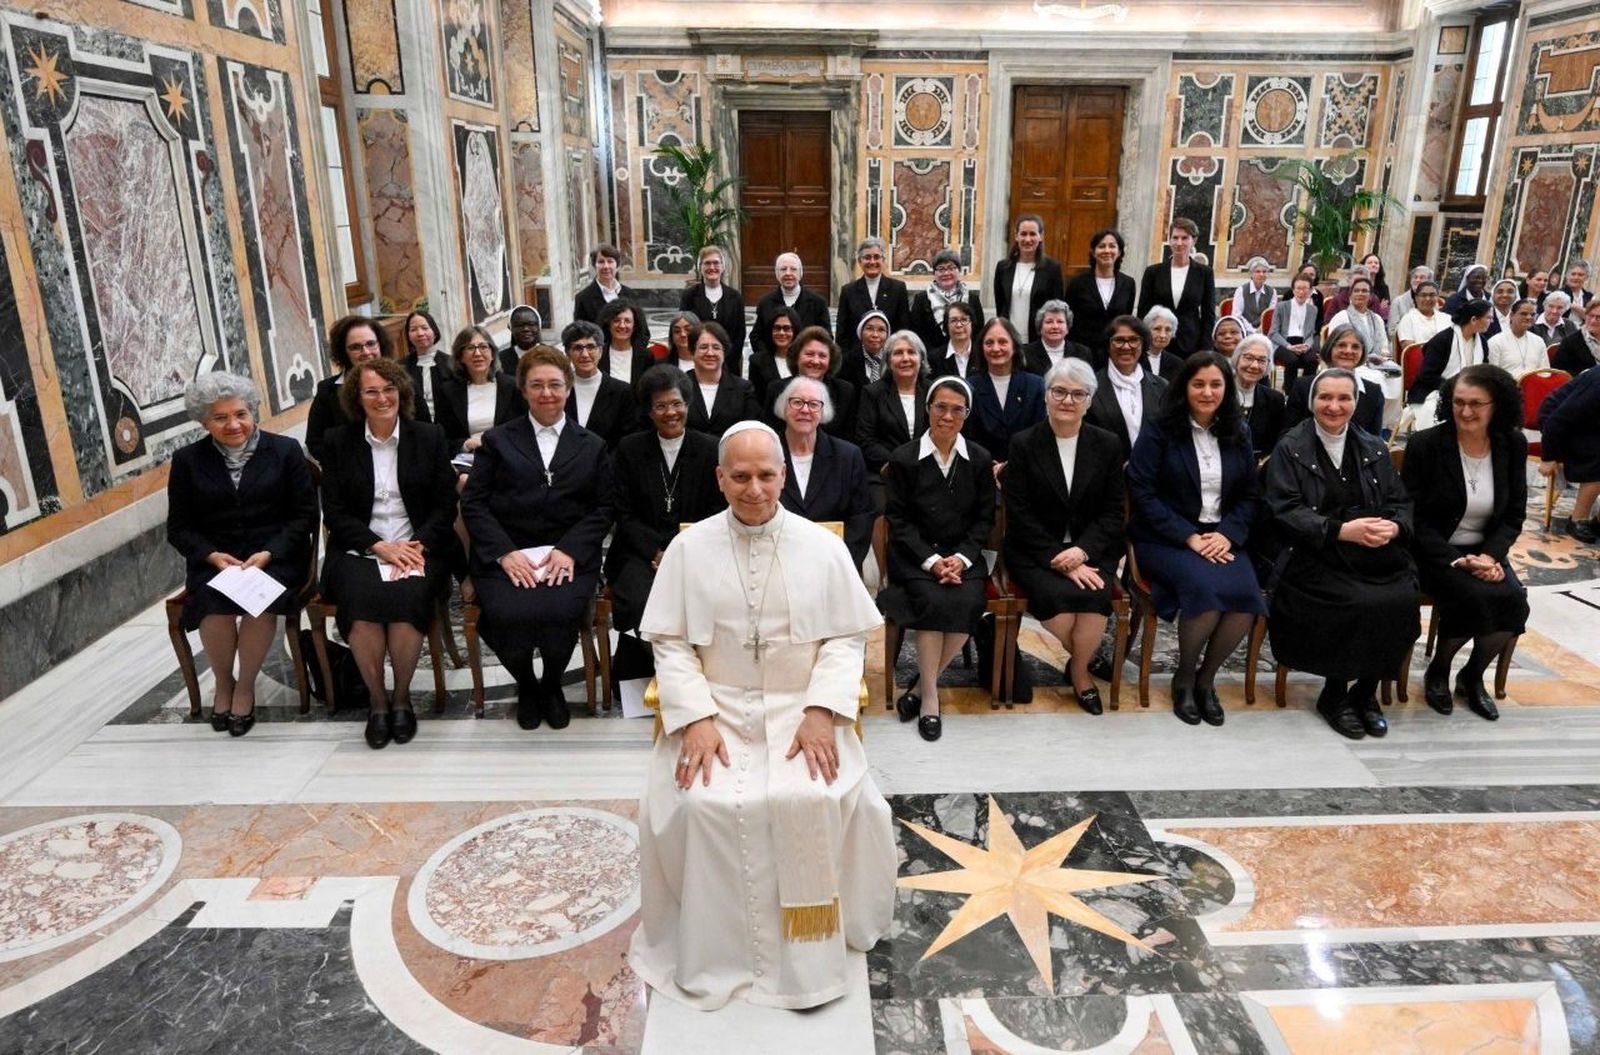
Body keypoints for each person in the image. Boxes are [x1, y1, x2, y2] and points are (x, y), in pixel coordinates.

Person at [630, 422, 894, 1013]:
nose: (754, 490)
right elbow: (670, 644)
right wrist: (694, 717)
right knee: (701, 803)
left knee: (816, 796)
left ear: (783, 475)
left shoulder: (823, 549)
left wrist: (824, 710)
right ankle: (716, 954)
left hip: (800, 709)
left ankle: (807, 959)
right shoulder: (687, 549)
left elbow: (847, 639)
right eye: (741, 477)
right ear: (720, 478)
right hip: (714, 708)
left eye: (767, 475)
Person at [461, 346, 613, 730]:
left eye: (555, 385)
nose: (547, 393)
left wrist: (570, 550)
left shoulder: (591, 445)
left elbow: (604, 507)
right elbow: (475, 505)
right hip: (507, 555)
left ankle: (551, 685)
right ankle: (527, 683)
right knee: (505, 614)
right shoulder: (497, 441)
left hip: (566, 556)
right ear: (524, 391)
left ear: (568, 390)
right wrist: (505, 554)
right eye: (537, 385)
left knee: (559, 611)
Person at [1265, 367, 1418, 740]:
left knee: (1401, 597)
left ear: (1356, 402)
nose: (1334, 406)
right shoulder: (1291, 446)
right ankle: (1334, 694)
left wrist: (1394, 527)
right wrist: (1340, 531)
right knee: (1356, 601)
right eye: (1325, 397)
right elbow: (1284, 509)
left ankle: (1365, 692)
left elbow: (1400, 501)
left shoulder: (1372, 445)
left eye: (1344, 398)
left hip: (1371, 552)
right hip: (1313, 553)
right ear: (1311, 401)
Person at [317, 357, 458, 749]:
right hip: (360, 550)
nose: (383, 398)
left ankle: (402, 700)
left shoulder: (428, 437)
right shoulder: (337, 441)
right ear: (357, 398)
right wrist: (378, 546)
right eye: (372, 391)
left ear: (402, 392)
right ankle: (378, 703)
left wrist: (417, 545)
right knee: (361, 609)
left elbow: (445, 505)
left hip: (417, 547)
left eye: (390, 389)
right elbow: (336, 511)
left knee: (408, 602)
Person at [167, 372, 318, 736]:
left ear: (253, 412)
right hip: (217, 561)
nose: (233, 424)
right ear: (204, 421)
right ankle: (223, 682)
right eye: (220, 418)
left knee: (259, 601)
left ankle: (245, 686)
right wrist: (212, 555)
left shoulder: (284, 451)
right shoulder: (188, 460)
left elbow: (305, 516)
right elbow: (179, 527)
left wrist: (269, 552)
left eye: (240, 414)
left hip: (275, 556)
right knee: (212, 607)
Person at [1128, 352, 1265, 726]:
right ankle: (1184, 677)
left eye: (1216, 384)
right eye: (1198, 384)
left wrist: (1227, 534)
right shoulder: (1160, 429)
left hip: (1221, 538)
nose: (1207, 392)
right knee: (1205, 593)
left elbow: (1250, 495)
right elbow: (1141, 492)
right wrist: (1188, 536)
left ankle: (1207, 679)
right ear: (1184, 387)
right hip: (1166, 538)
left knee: (1246, 600)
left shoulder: (1238, 430)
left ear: (1227, 388)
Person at [1401, 365, 1529, 722]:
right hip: (1434, 551)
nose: (1466, 412)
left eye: (1476, 403)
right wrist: (1457, 560)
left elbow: (1514, 513)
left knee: (1513, 601)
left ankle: (1471, 677)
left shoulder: (1512, 444)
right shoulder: (1426, 445)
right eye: (1458, 402)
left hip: (1486, 551)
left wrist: (1489, 557)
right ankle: (1438, 671)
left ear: (1496, 405)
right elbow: (1414, 516)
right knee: (1471, 595)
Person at [1003, 359, 1126, 712]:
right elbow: (1020, 513)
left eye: (1077, 394)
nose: (1067, 400)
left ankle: (1078, 670)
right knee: (1058, 601)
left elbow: (1113, 511)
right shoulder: (1024, 444)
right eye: (1059, 391)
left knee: (1095, 595)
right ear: (1046, 397)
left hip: (1092, 549)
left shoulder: (1107, 444)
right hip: (1036, 552)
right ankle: (1085, 662)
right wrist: (1062, 558)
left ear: (1089, 401)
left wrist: (1083, 552)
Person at [880, 377, 994, 741]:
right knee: (930, 601)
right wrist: (932, 561)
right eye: (940, 407)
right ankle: (930, 697)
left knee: (967, 600)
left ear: (967, 414)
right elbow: (897, 520)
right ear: (927, 408)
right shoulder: (903, 458)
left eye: (956, 409)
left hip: (964, 556)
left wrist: (960, 558)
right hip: (915, 556)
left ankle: (917, 688)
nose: (947, 415)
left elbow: (984, 519)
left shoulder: (978, 458)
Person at [605, 365, 726, 685]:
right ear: (648, 410)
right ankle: (663, 671)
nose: (670, 412)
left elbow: (718, 508)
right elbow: (622, 511)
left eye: (676, 404)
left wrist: (675, 547)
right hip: (639, 551)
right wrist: (654, 549)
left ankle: (693, 672)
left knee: (706, 599)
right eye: (660, 406)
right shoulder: (629, 449)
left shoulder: (710, 449)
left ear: (687, 404)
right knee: (641, 600)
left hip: (697, 549)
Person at [775, 376, 874, 568]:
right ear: (784, 408)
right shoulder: (765, 452)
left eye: (813, 404)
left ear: (823, 411)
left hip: (835, 563)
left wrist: (840, 564)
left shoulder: (848, 456)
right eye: (797, 402)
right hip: (776, 562)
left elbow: (861, 517)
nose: (805, 410)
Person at [306, 315, 395, 463]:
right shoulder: (327, 390)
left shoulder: (402, 382)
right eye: (356, 347)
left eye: (371, 343)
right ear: (343, 352)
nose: (366, 352)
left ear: (380, 344)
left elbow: (421, 429)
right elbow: (315, 441)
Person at [966, 317, 1045, 467]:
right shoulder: (969, 387)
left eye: (1003, 342)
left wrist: (1010, 466)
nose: (996, 348)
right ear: (981, 348)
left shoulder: (1036, 385)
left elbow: (1039, 433)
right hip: (982, 470)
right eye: (989, 343)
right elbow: (968, 436)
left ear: (1014, 346)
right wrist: (990, 465)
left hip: (1026, 468)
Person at [1087, 314, 1167, 460]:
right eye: (1118, 340)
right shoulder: (1090, 387)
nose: (1126, 346)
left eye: (1134, 340)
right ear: (1108, 345)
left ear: (1143, 344)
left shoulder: (1162, 386)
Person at [1285, 324, 1386, 436]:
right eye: (1341, 345)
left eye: (1355, 347)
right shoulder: (1303, 387)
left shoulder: (1374, 393)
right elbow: (1288, 434)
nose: (1348, 351)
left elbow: (1374, 442)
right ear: (1329, 348)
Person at [855, 329, 929, 480]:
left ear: (921, 358)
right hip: (885, 472)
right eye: (898, 353)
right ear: (888, 361)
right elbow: (865, 440)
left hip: (927, 472)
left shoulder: (933, 391)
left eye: (911, 352)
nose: (905, 358)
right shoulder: (872, 393)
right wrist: (898, 463)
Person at [1136, 217, 1216, 357]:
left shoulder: (1205, 273)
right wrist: (1144, 341)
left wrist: (1205, 349)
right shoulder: (1153, 272)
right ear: (1170, 240)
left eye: (1185, 238)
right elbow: (1143, 311)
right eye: (1175, 237)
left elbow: (1208, 314)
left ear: (1193, 241)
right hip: (1158, 343)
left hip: (1191, 344)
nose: (1179, 243)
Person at [437, 325, 520, 458]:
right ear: (461, 357)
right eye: (470, 348)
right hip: (469, 460)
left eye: (483, 347)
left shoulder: (512, 386)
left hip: (508, 457)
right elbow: (442, 439)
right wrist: (466, 444)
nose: (477, 353)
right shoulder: (449, 392)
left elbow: (523, 429)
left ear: (492, 354)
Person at [1539, 363, 1600, 542]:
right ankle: (1578, 519)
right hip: (1560, 424)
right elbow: (1558, 419)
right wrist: (1549, 457)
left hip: (1589, 424)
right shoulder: (1597, 384)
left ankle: (1597, 522)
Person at [1064, 228, 1138, 360]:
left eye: (1112, 246)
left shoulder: (1128, 283)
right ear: (1093, 252)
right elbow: (1068, 320)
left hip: (1115, 353)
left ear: (1119, 252)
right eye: (1101, 246)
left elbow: (1126, 319)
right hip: (1082, 353)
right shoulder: (1077, 283)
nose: (1107, 250)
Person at [563, 320, 637, 448]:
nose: (585, 354)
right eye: (577, 348)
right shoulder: (559, 389)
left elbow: (626, 440)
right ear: (567, 353)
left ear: (601, 351)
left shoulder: (622, 392)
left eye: (591, 347)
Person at [778, 326, 860, 441]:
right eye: (809, 354)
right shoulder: (778, 389)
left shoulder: (845, 391)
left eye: (822, 356)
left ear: (830, 361)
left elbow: (850, 438)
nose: (816, 361)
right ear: (796, 356)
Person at [993, 214, 1066, 344]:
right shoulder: (1003, 268)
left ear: (1041, 237)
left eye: (1032, 234)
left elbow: (1056, 306)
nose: (1027, 239)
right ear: (1016, 236)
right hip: (1009, 338)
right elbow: (1001, 304)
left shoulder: (1052, 268)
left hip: (1039, 339)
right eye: (1023, 234)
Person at [1408, 301, 1493, 409]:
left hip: (1470, 391)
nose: (1491, 321)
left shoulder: (1482, 342)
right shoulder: (1442, 340)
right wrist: (1455, 388)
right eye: (1489, 318)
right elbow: (1427, 376)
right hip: (1435, 391)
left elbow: (1484, 371)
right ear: (1474, 320)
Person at [685, 320, 760, 438]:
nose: (710, 353)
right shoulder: (678, 386)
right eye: (703, 347)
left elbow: (750, 431)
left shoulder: (743, 389)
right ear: (692, 352)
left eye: (716, 347)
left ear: (724, 353)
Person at [679, 246, 747, 375]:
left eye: (716, 263)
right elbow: (684, 328)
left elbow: (740, 334)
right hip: (697, 361)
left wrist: (723, 358)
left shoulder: (735, 297)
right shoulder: (689, 296)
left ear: (723, 267)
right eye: (707, 263)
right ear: (701, 267)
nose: (712, 267)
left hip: (728, 363)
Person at [836, 237, 909, 351]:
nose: (872, 262)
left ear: (883, 260)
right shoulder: (848, 291)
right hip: (857, 358)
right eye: (867, 257)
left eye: (876, 257)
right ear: (860, 261)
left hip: (889, 356)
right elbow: (842, 333)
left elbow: (904, 328)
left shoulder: (898, 289)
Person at [574, 244, 650, 350]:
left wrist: (633, 354)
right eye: (601, 262)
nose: (606, 266)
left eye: (610, 261)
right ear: (594, 265)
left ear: (617, 265)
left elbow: (643, 332)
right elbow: (580, 335)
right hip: (599, 359)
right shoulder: (583, 298)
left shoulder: (631, 295)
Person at [752, 252, 830, 356]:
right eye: (783, 269)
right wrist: (770, 358)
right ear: (777, 274)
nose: (788, 273)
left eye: (793, 269)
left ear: (800, 273)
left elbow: (826, 337)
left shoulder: (818, 303)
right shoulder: (765, 303)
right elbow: (756, 337)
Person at [909, 249, 985, 354]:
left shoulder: (972, 299)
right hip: (932, 359)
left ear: (959, 271)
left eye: (951, 268)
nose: (946, 273)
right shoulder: (922, 299)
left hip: (967, 356)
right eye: (941, 269)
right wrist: (934, 355)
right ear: (934, 273)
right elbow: (916, 333)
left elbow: (979, 331)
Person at [1231, 334, 1286, 460]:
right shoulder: (1220, 393)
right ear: (1237, 358)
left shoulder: (1275, 399)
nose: (1254, 365)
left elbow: (1273, 443)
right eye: (1248, 358)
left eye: (1262, 360)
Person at [1268, 273, 1323, 388]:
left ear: (1310, 291)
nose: (1301, 292)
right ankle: (1290, 392)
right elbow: (1273, 332)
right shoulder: (1281, 306)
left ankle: (1304, 389)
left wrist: (1307, 345)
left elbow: (1311, 333)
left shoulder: (1313, 309)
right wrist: (1289, 346)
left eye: (1305, 289)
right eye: (1298, 288)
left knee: (1312, 360)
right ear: (1293, 290)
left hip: (1303, 343)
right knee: (1292, 360)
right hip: (1283, 343)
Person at [1022, 300, 1099, 375]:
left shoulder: (1082, 353)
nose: (1055, 326)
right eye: (1049, 322)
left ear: (1067, 328)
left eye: (1060, 321)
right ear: (1040, 327)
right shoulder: (1025, 354)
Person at [402, 309, 449, 423]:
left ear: (434, 331)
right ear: (408, 336)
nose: (420, 333)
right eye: (413, 329)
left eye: (424, 328)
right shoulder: (400, 367)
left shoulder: (452, 363)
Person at [597, 299, 656, 388]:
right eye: (616, 320)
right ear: (609, 324)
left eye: (627, 321)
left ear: (635, 326)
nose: (622, 325)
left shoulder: (646, 356)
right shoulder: (597, 354)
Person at [1325, 275, 1386, 361]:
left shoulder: (1377, 319)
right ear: (1350, 296)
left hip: (1377, 363)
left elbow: (1384, 346)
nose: (1360, 293)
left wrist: (1382, 356)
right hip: (1349, 361)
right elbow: (1333, 346)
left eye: (1364, 291)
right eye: (1356, 291)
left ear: (1371, 297)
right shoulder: (1341, 317)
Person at [1486, 299, 1549, 377]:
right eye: (1524, 314)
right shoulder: (1496, 341)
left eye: (1532, 314)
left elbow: (1545, 372)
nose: (1529, 317)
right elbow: (1492, 375)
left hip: (1534, 386)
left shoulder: (1538, 341)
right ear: (1511, 315)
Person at [747, 305, 797, 400]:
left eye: (787, 328)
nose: (781, 333)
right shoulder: (757, 362)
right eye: (777, 328)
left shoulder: (804, 360)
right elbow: (755, 399)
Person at [841, 309, 893, 389]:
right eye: (869, 328)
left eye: (881, 330)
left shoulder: (893, 361)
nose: (875, 335)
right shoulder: (846, 362)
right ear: (861, 332)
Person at [927, 300, 979, 379]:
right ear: (946, 325)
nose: (959, 325)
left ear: (972, 323)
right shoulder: (933, 358)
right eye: (953, 320)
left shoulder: (982, 354)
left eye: (964, 320)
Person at [1551, 299, 1600, 375]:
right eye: (1590, 316)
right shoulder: (1570, 343)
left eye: (1598, 317)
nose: (1593, 321)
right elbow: (1559, 373)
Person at [1141, 306, 1187, 381]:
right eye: (1157, 329)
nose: (1163, 335)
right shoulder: (1136, 359)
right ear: (1146, 331)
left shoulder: (1178, 364)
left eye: (1168, 330)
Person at [1397, 281, 1448, 346]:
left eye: (1432, 295)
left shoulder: (1447, 319)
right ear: (1416, 298)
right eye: (1423, 295)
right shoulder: (1408, 319)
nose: (1428, 299)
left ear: (1437, 297)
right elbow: (1409, 349)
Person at [1232, 257, 1278, 328]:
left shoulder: (1272, 292)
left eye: (1264, 272)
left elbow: (1271, 315)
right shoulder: (1241, 290)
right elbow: (1237, 315)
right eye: (1258, 271)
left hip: (1264, 331)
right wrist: (1252, 330)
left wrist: (1261, 329)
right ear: (1251, 274)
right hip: (1245, 329)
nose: (1261, 274)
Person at [498, 304, 543, 376]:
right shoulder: (500, 359)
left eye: (531, 324)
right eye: (519, 325)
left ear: (539, 326)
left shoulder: (553, 355)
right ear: (510, 328)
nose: (526, 329)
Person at [1387, 266, 1434, 335]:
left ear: (1429, 282)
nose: (1417, 280)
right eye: (1415, 277)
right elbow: (1392, 330)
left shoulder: (1433, 303)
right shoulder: (1398, 302)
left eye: (1422, 278)